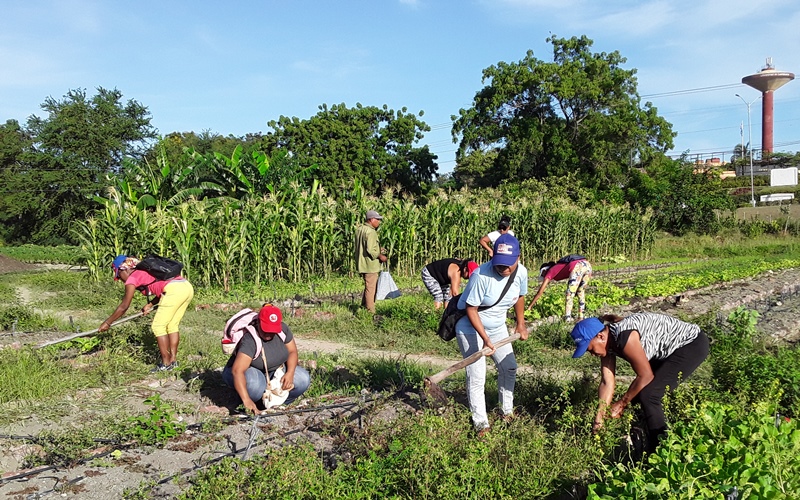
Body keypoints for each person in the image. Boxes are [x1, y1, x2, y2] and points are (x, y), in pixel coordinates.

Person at [571, 312, 709, 451]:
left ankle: (662, 451)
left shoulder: (625, 337)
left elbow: (646, 376)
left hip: (690, 344)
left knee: (649, 395)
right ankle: (644, 444)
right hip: (665, 352)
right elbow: (607, 382)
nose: (593, 354)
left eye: (590, 349)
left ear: (600, 336)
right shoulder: (608, 344)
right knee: (637, 396)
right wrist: (599, 418)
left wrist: (622, 403)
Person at [455, 233, 528, 435]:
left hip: (497, 326)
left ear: (518, 258)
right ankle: (481, 423)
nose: (503, 268)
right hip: (471, 326)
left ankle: (506, 412)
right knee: (478, 375)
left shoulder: (521, 273)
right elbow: (471, 310)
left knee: (509, 367)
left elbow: (520, 296)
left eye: (508, 265)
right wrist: (485, 340)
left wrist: (520, 323)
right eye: (499, 264)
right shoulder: (481, 275)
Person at [101, 255, 194, 372]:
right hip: (186, 287)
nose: (120, 279)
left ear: (123, 269)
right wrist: (150, 304)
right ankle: (173, 361)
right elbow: (162, 288)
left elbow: (124, 306)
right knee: (172, 325)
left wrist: (107, 322)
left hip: (174, 290)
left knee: (158, 327)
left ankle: (166, 364)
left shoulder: (132, 278)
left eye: (119, 276)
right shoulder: (146, 271)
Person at [222, 305, 311, 414]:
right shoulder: (250, 340)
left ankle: (275, 405)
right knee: (255, 386)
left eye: (272, 330)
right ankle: (248, 402)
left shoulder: (283, 330)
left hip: (273, 372)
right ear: (258, 322)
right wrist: (246, 399)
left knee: (302, 379)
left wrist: (290, 373)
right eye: (265, 329)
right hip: (249, 373)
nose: (268, 334)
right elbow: (237, 371)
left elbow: (292, 351)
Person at [527, 256, 593, 321]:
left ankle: (567, 318)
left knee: (569, 294)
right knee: (580, 291)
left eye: (542, 274)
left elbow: (540, 292)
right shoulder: (557, 267)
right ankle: (581, 317)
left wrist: (530, 307)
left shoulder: (550, 271)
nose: (544, 277)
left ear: (544, 270)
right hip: (587, 265)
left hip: (578, 266)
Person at [354, 209, 388, 314]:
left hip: (362, 263)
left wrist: (378, 248)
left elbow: (365, 246)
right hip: (370, 265)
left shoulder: (360, 229)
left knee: (368, 286)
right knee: (371, 288)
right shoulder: (371, 231)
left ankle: (363, 306)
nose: (379, 222)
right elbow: (370, 250)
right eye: (377, 220)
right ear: (371, 219)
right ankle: (370, 311)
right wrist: (381, 256)